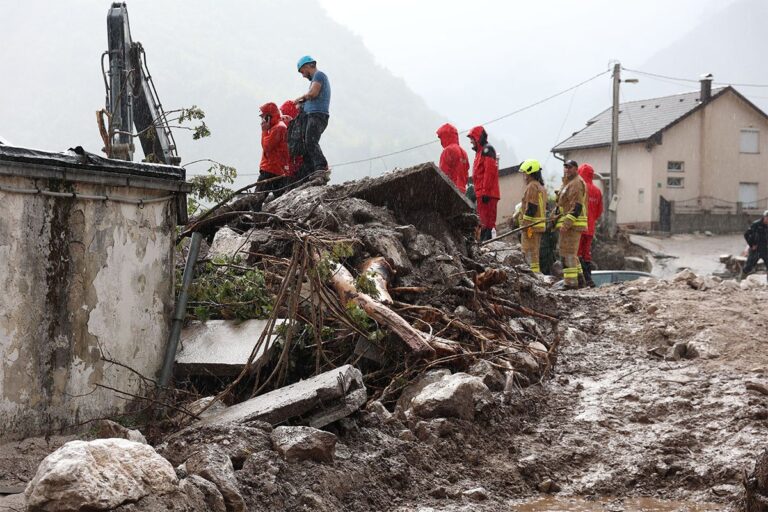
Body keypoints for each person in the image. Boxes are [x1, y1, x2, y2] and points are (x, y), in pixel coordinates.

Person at [294, 55, 330, 177]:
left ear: (308, 66)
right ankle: (310, 172)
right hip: (312, 115)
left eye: (303, 72)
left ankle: (321, 167)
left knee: (311, 141)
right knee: (307, 144)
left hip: (318, 115)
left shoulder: (319, 75)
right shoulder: (315, 78)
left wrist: (300, 99)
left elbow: (313, 93)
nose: (303, 75)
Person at [554, 159, 588, 289]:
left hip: (572, 225)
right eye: (565, 167)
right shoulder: (568, 183)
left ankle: (570, 283)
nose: (567, 170)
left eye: (570, 167)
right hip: (570, 224)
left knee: (567, 253)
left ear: (576, 169)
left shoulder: (576, 183)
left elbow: (577, 206)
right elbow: (562, 204)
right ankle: (579, 280)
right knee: (571, 253)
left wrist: (566, 223)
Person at [255, 102, 291, 210]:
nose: (262, 120)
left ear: (269, 116)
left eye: (264, 117)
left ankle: (252, 221)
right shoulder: (277, 127)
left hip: (270, 170)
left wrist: (264, 131)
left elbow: (267, 147)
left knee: (256, 200)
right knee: (279, 200)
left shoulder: (278, 128)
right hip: (278, 170)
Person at [467, 126, 499, 242]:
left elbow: (489, 172)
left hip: (487, 194)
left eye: (472, 138)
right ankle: (486, 244)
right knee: (483, 223)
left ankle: (489, 245)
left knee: (487, 223)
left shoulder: (487, 150)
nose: (471, 141)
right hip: (482, 193)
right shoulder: (481, 152)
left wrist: (485, 191)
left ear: (478, 138)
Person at [517, 159, 548, 273]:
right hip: (538, 226)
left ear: (530, 173)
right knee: (534, 253)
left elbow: (531, 207)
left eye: (525, 173)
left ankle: (531, 275)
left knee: (529, 252)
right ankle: (535, 274)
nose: (524, 176)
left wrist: (525, 224)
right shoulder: (541, 187)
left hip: (531, 226)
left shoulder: (532, 186)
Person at [577, 163, 604, 287]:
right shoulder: (597, 191)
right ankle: (588, 278)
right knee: (586, 253)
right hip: (590, 227)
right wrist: (591, 219)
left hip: (578, 226)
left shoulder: (580, 187)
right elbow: (599, 211)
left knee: (576, 252)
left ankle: (580, 279)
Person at [436, 123, 469, 193]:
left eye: (441, 138)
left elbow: (443, 173)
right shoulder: (464, 152)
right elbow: (466, 175)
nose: (441, 142)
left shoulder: (447, 150)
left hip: (451, 190)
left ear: (445, 136)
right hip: (462, 191)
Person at [741, 210, 768, 281]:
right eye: (767, 218)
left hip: (765, 249)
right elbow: (746, 234)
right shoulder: (756, 224)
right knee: (748, 267)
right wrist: (751, 245)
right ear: (764, 217)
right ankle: (740, 280)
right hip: (756, 249)